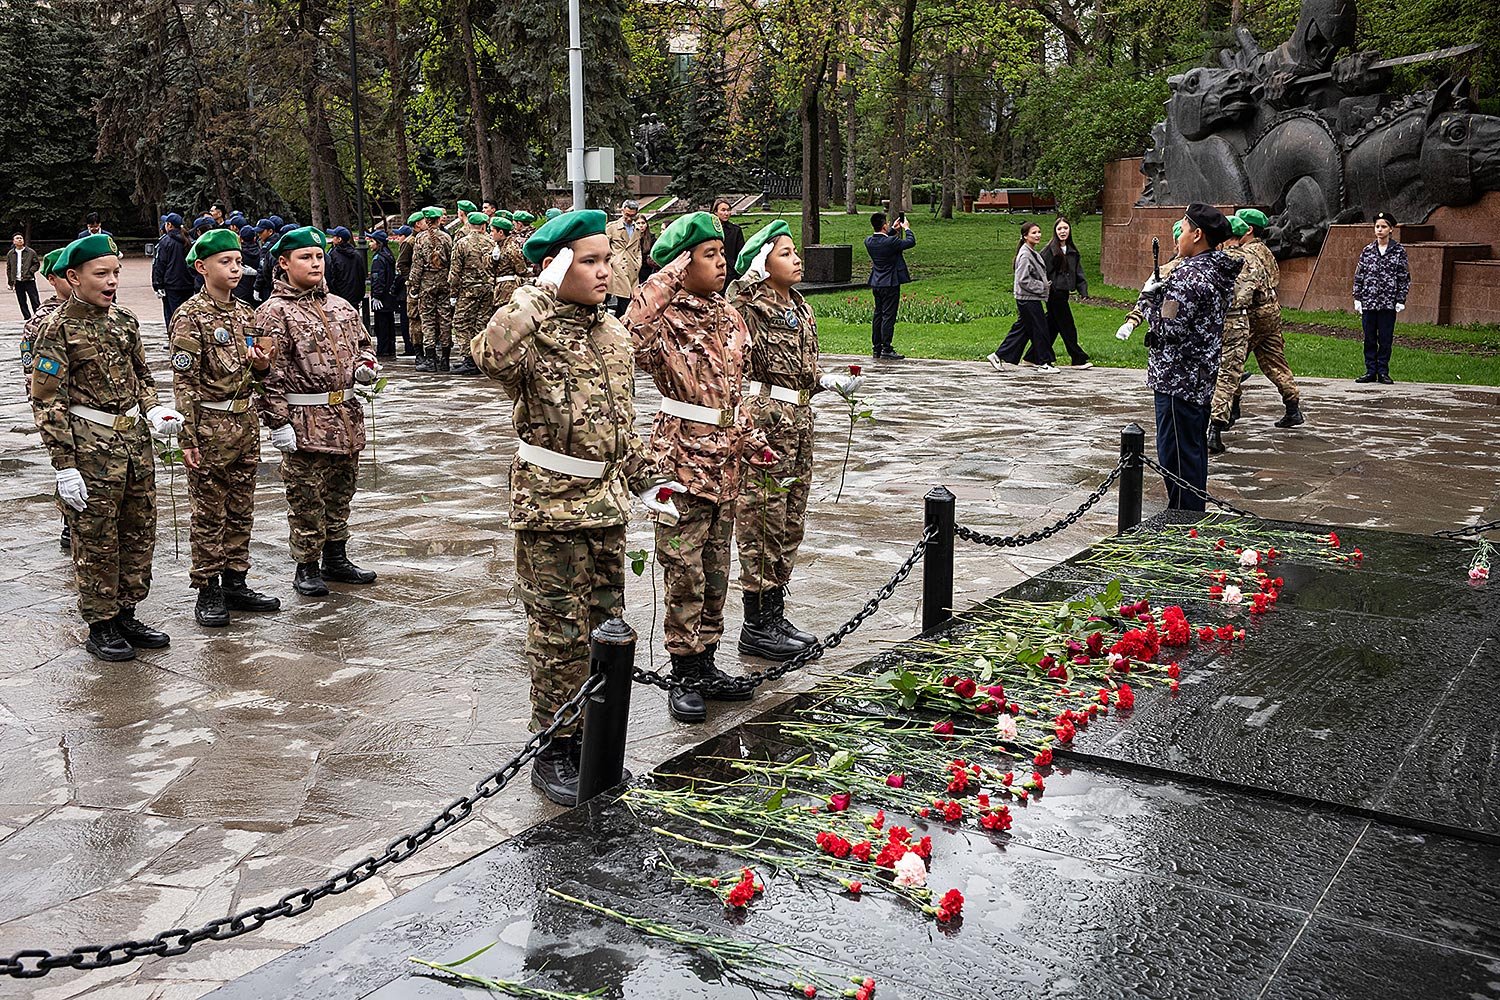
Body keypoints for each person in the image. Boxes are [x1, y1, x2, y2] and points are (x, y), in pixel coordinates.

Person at [471, 209, 678, 805]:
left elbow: (621, 425)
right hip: (551, 508)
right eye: (589, 261)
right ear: (555, 265)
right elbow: (488, 356)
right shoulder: (531, 330)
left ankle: (594, 736)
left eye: (608, 259)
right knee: (559, 635)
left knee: (606, 626)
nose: (605, 271)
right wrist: (537, 293)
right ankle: (554, 746)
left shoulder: (613, 335)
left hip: (606, 508)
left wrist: (647, 482)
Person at [627, 211, 774, 723]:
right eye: (708, 255)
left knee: (715, 568)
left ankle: (707, 661)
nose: (721, 262)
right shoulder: (665, 315)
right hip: (682, 459)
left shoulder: (728, 315)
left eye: (721, 253)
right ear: (682, 264)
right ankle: (684, 669)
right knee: (683, 570)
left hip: (726, 461)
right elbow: (629, 337)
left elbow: (734, 391)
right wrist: (667, 273)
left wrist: (751, 439)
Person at [28, 233, 184, 660]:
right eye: (102, 274)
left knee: (138, 531)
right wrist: (64, 465)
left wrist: (154, 409)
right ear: (73, 277)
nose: (112, 281)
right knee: (96, 539)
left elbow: (142, 377)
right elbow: (48, 400)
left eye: (116, 272)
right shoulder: (56, 328)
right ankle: (101, 624)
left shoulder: (125, 321)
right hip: (90, 450)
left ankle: (127, 612)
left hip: (133, 445)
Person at [728, 220, 859, 661]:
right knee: (761, 519)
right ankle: (756, 624)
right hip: (766, 421)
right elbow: (729, 316)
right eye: (784, 253)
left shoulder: (799, 305)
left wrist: (827, 380)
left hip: (800, 421)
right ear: (762, 264)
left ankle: (775, 615)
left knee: (789, 519)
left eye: (794, 251)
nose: (797, 259)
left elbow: (800, 365)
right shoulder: (749, 304)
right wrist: (746, 280)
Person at [254, 226, 380, 596]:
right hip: (304, 423)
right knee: (306, 499)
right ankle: (306, 565)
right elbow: (268, 374)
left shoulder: (340, 306)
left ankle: (336, 558)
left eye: (319, 256)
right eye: (305, 257)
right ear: (283, 262)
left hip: (344, 419)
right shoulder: (274, 313)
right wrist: (277, 421)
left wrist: (366, 366)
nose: (315, 263)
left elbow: (363, 345)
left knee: (341, 494)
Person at [169, 228, 282, 627]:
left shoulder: (246, 313)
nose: (235, 268)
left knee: (240, 508)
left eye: (237, 261)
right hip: (210, 427)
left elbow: (259, 372)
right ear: (202, 267)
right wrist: (187, 437)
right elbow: (184, 382)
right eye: (225, 262)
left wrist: (262, 365)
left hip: (244, 424)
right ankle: (208, 588)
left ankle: (236, 581)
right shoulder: (190, 316)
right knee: (208, 512)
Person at [1132, 203, 1243, 511]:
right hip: (1197, 376)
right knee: (1191, 451)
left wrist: (1149, 300)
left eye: (1182, 229)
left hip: (1177, 379)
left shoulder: (1189, 276)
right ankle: (1190, 513)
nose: (1178, 236)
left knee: (1176, 455)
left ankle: (1185, 519)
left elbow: (1168, 326)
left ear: (1197, 235)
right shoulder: (1215, 270)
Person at [21, 249, 73, 551]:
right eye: (65, 275)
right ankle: (69, 523)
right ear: (52, 279)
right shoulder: (40, 321)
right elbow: (34, 378)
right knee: (70, 466)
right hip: (63, 410)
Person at [1208, 215, 1259, 454]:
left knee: (1211, 371)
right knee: (1228, 376)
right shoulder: (1252, 259)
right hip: (1238, 321)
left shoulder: (1213, 259)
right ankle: (1215, 428)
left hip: (1214, 321)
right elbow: (1260, 292)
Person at [987, 221, 1057, 373]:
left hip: (1029, 298)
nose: (1038, 235)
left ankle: (998, 355)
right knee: (1040, 329)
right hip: (1028, 299)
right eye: (1034, 233)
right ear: (1025, 236)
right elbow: (1023, 280)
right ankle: (1044, 363)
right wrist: (1043, 287)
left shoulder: (1031, 252)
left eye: (1039, 232)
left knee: (1022, 330)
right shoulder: (1025, 255)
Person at [1352, 211, 1409, 385]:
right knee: (1369, 338)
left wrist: (1400, 299)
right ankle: (1370, 371)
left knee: (1385, 339)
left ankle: (1383, 371)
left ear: (1391, 229)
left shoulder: (1398, 251)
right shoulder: (1368, 250)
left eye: (1383, 226)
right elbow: (1359, 275)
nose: (1379, 230)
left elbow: (1403, 277)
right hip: (1369, 301)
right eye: (1377, 226)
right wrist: (1357, 297)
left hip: (1387, 303)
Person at [446, 211, 493, 376]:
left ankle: (469, 358)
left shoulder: (462, 243)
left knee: (461, 323)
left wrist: (453, 293)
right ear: (483, 226)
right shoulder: (491, 242)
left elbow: (455, 273)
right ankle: (480, 358)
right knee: (482, 323)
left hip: (468, 290)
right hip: (487, 288)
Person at [1040, 217, 1091, 369]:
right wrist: (1047, 287)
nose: (1063, 231)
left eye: (1065, 228)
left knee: (1053, 326)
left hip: (1064, 292)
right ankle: (1077, 358)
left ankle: (1033, 355)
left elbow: (1078, 272)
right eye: (1059, 229)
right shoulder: (1049, 251)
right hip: (1054, 294)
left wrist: (1083, 290)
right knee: (1067, 326)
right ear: (1055, 231)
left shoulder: (1072, 251)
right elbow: (1042, 271)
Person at [864, 212, 915, 360]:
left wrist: (892, 229)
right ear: (884, 225)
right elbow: (910, 242)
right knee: (888, 316)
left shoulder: (868, 241)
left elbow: (883, 240)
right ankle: (886, 348)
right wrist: (906, 228)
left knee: (878, 315)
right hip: (890, 282)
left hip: (876, 282)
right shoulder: (891, 242)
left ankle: (877, 348)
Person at [411, 206, 453, 372]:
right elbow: (451, 261)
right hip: (444, 281)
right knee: (445, 319)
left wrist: (414, 286)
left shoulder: (420, 239)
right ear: (438, 220)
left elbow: (417, 265)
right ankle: (445, 358)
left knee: (427, 320)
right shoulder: (446, 237)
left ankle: (430, 358)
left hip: (427, 283)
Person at [604, 200, 651, 317]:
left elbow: (637, 248)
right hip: (617, 267)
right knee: (623, 301)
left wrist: (638, 262)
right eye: (627, 215)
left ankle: (620, 322)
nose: (629, 218)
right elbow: (604, 247)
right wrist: (612, 261)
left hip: (633, 268)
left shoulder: (637, 229)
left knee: (628, 301)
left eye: (632, 216)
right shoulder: (612, 227)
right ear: (622, 211)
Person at [152, 214, 194, 327]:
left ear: (169, 225)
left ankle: (174, 336)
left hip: (171, 284)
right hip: (188, 283)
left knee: (172, 315)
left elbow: (160, 264)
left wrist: (157, 284)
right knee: (187, 313)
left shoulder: (165, 241)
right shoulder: (189, 240)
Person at [396, 211, 424, 358]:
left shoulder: (424, 238)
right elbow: (401, 264)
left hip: (426, 285)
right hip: (415, 287)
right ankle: (415, 349)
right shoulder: (409, 242)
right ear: (418, 224)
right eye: (424, 221)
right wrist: (411, 279)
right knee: (414, 319)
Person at [490, 215, 531, 308]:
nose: (490, 234)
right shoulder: (499, 246)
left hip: (508, 290)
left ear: (501, 232)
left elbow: (521, 270)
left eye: (492, 231)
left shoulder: (511, 248)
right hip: (500, 287)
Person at [368, 230, 398, 358]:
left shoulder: (378, 259)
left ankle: (383, 350)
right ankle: (390, 349)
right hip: (389, 298)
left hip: (381, 299)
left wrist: (376, 296)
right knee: (389, 324)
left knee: (382, 326)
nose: (370, 244)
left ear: (378, 243)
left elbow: (378, 279)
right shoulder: (389, 256)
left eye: (372, 241)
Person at [324, 227, 366, 308]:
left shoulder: (333, 255)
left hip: (339, 298)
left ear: (339, 239)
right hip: (354, 298)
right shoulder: (357, 255)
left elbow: (331, 276)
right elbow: (361, 276)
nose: (332, 239)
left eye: (334, 236)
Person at [712, 198, 744, 291]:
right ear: (715, 212)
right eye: (723, 210)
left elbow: (740, 253)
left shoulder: (736, 230)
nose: (726, 213)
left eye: (728, 210)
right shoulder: (709, 230)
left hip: (731, 272)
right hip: (713, 270)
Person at [7, 234, 40, 319]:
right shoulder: (10, 254)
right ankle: (27, 317)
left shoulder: (31, 252)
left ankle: (38, 317)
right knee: (22, 301)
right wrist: (10, 282)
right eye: (17, 238)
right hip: (18, 281)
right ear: (13, 241)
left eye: (21, 238)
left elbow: (36, 264)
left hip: (29, 280)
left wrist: (30, 271)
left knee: (34, 300)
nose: (19, 240)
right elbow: (9, 268)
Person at [233, 225, 262, 306]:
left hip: (240, 291)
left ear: (240, 239)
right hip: (257, 290)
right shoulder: (261, 252)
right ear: (254, 238)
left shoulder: (237, 254)